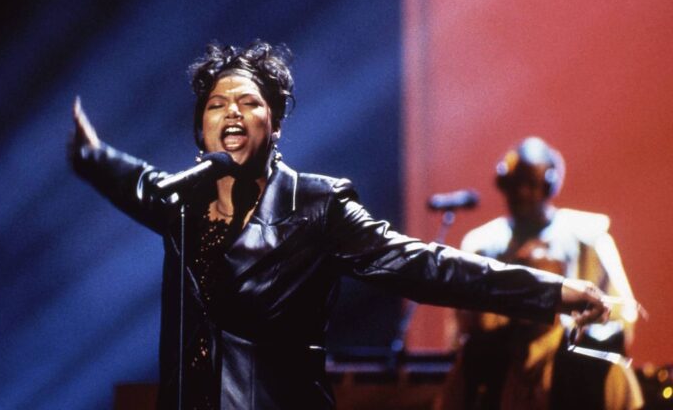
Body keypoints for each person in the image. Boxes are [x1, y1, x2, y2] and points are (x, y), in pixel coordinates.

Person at [70, 42, 608, 410]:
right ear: (201, 130)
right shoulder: (181, 204)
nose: (231, 111)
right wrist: (90, 153)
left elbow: (425, 265)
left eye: (249, 102)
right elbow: (133, 180)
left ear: (275, 126)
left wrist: (551, 291)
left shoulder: (317, 206)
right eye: (216, 104)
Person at [436, 137, 643, 410]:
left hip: (574, 369)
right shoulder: (480, 244)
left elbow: (621, 316)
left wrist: (570, 336)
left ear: (548, 185)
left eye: (530, 184)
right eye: (515, 185)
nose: (522, 193)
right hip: (498, 368)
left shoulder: (588, 238)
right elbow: (462, 327)